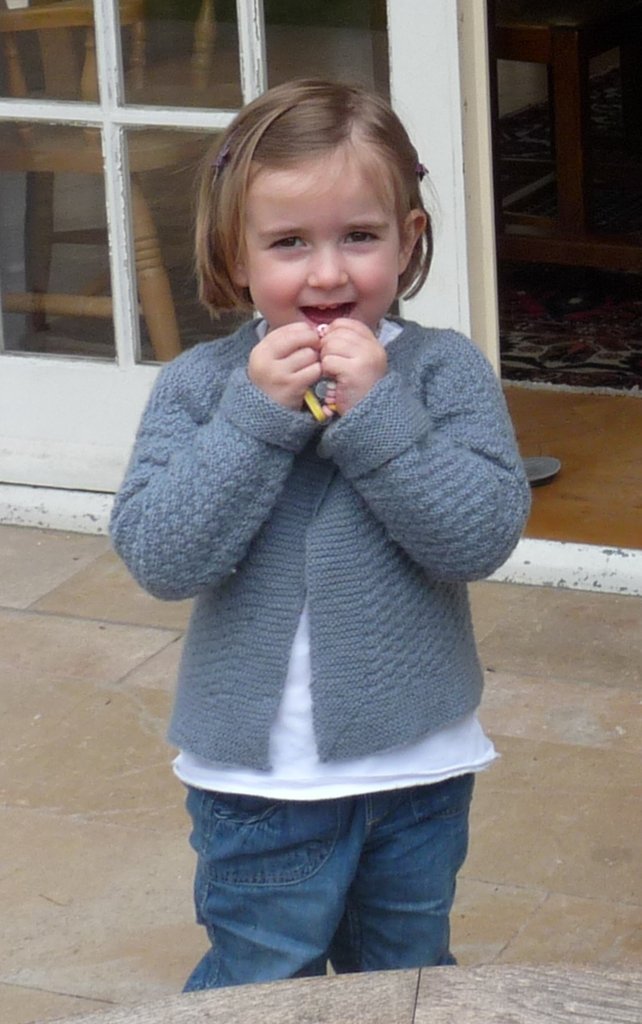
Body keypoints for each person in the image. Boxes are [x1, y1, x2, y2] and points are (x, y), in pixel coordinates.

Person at [110, 78, 531, 990]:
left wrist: (379, 413)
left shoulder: (444, 373)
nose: (329, 274)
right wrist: (254, 417)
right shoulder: (201, 386)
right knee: (260, 985)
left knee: (408, 984)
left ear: (409, 240)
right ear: (237, 253)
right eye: (290, 242)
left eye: (361, 237)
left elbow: (478, 537)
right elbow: (160, 556)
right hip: (260, 789)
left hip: (418, 773)